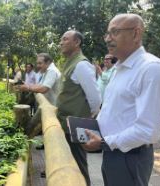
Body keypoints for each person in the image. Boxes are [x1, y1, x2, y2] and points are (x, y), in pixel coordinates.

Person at [83, 13, 160, 186]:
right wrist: (94, 127)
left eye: (115, 32)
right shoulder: (120, 68)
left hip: (130, 157)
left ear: (136, 33)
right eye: (107, 34)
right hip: (112, 151)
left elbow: (148, 130)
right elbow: (115, 109)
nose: (108, 39)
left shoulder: (151, 69)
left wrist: (104, 142)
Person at [57, 30, 101, 186]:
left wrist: (86, 119)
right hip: (67, 123)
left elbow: (95, 98)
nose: (61, 42)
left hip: (76, 124)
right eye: (61, 39)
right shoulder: (69, 62)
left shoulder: (81, 64)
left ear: (77, 42)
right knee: (70, 162)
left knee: (79, 164)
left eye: (65, 39)